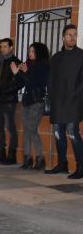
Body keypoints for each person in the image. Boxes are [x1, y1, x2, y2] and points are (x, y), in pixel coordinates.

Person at [45, 24, 83, 178]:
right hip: (57, 102)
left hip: (73, 102)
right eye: (69, 35)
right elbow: (50, 79)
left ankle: (81, 167)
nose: (72, 37)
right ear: (63, 37)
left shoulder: (81, 55)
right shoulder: (56, 58)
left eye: (75, 34)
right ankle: (62, 164)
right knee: (57, 133)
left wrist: (74, 93)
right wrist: (52, 94)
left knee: (73, 133)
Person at [14, 43, 49, 171]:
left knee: (32, 130)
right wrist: (16, 73)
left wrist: (26, 71)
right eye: (29, 51)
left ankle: (40, 159)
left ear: (39, 52)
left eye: (33, 51)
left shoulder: (43, 66)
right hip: (27, 101)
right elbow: (23, 82)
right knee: (27, 130)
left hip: (37, 102)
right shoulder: (28, 64)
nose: (30, 53)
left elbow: (37, 83)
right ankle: (27, 159)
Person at [0, 38, 24, 165]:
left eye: (5, 46)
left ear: (11, 48)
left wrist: (7, 90)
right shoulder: (0, 61)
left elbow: (21, 82)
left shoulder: (16, 62)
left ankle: (11, 155)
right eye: (1, 46)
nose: (2, 49)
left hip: (9, 100)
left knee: (10, 127)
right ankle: (1, 153)